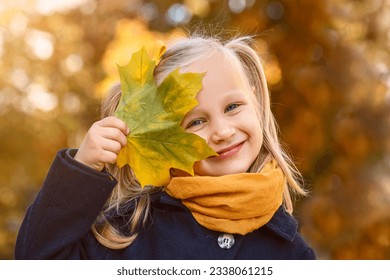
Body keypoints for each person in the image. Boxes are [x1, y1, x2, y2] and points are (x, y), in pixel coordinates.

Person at [15, 34, 316, 259]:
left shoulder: (289, 250)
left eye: (233, 106)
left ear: (256, 101)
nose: (223, 131)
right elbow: (37, 261)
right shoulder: (128, 231)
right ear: (164, 142)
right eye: (196, 122)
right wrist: (81, 169)